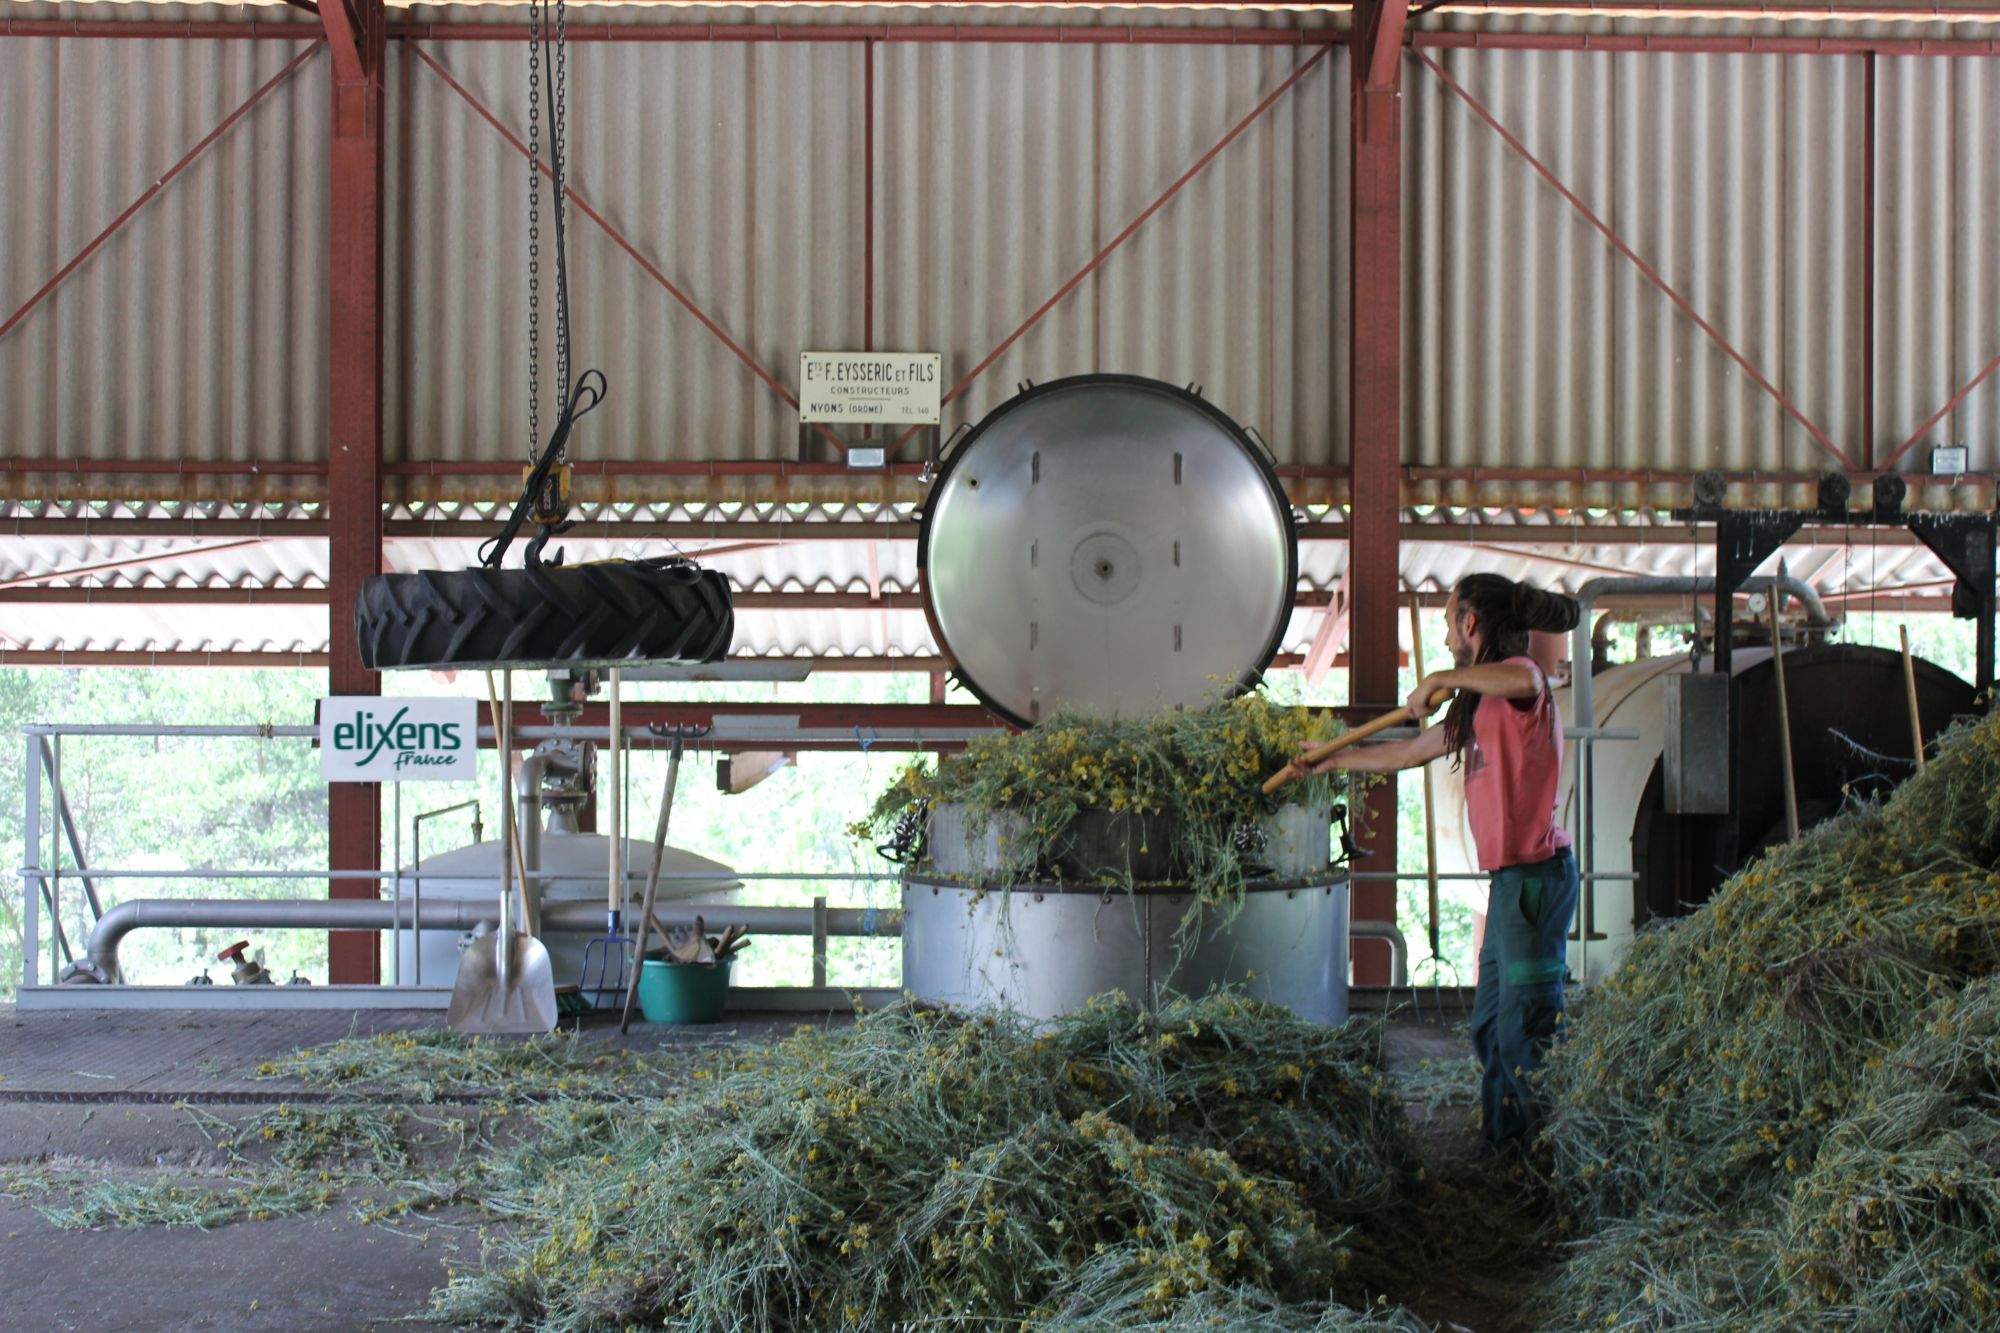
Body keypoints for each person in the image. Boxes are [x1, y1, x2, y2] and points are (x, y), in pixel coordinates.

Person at [1297, 572, 1581, 1154]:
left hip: (1534, 883)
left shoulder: (1521, 684)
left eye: (1451, 620)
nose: (1448, 632)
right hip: (1508, 888)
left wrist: (1441, 678)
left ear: (1470, 624)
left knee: (1525, 1028)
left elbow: (1521, 674)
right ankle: (1504, 1150)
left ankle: (1548, 1159)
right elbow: (1404, 752)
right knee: (1489, 1028)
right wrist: (1331, 762)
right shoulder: (1478, 706)